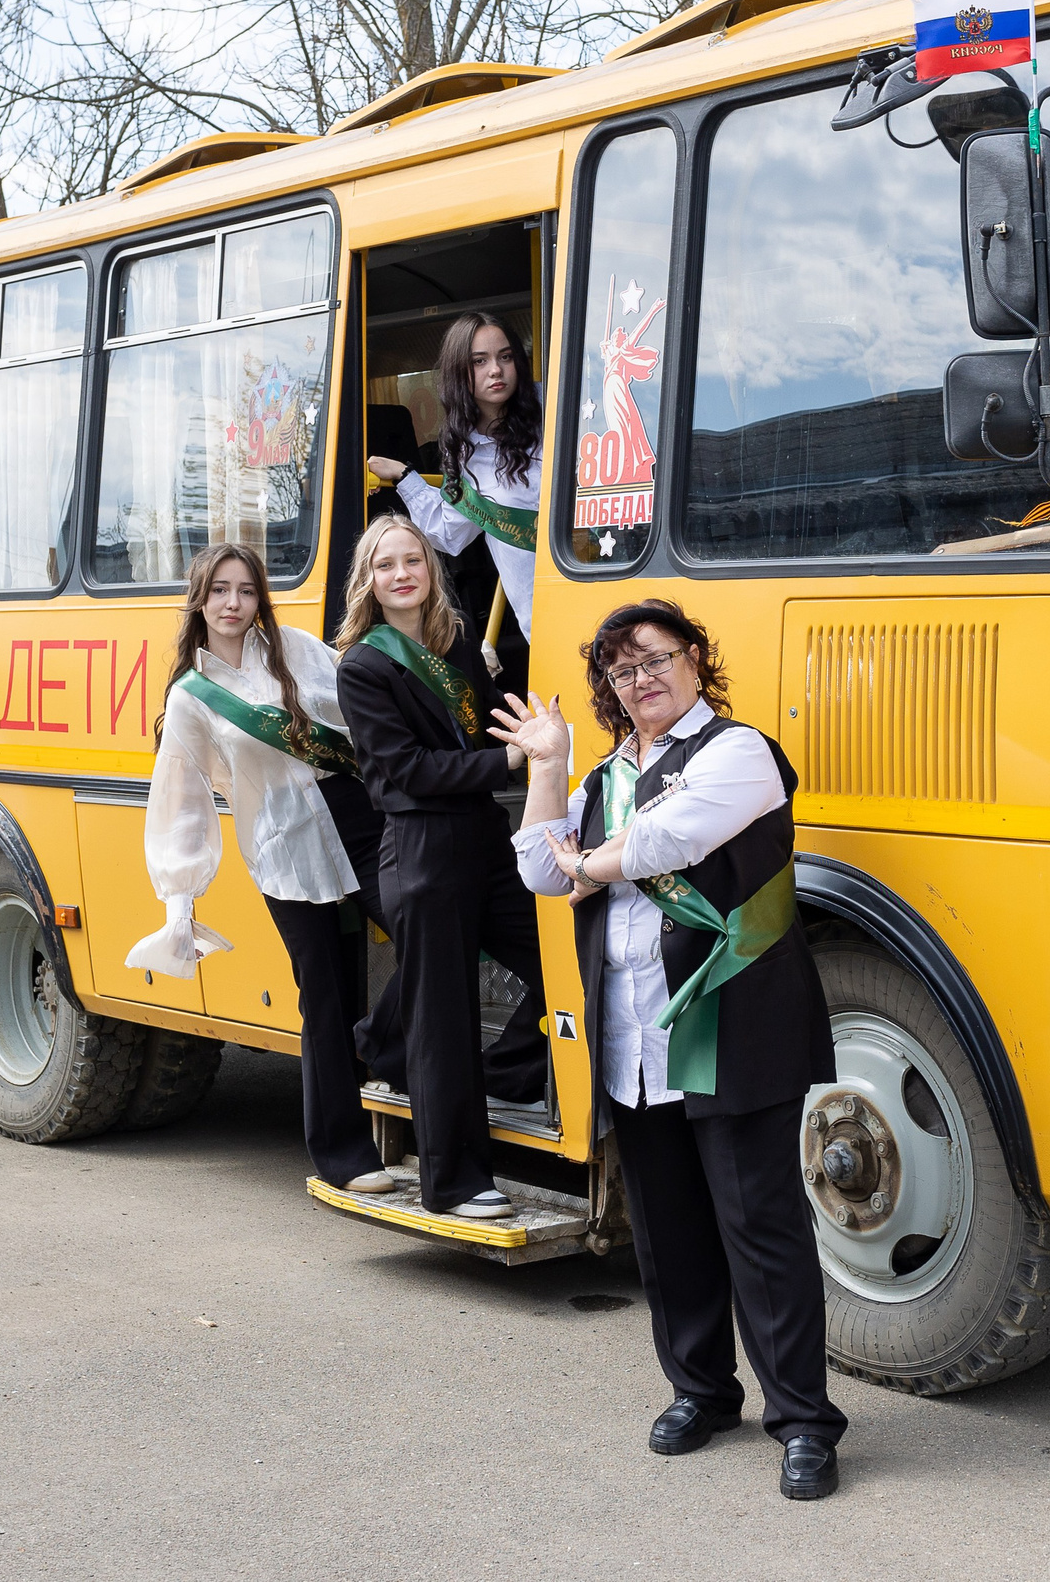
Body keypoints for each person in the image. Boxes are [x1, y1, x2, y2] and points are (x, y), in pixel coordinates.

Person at [495, 599, 847, 1501]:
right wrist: (550, 766)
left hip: (730, 1024)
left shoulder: (739, 752)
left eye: (654, 659)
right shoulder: (607, 773)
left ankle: (804, 1420)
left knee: (759, 1227)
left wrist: (587, 864)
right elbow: (541, 867)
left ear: (694, 660)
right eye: (620, 670)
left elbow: (669, 839)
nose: (640, 679)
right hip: (633, 1032)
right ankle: (701, 1388)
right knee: (667, 1229)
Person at [127, 543, 396, 1193]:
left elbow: (362, 695)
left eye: (246, 591)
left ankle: (381, 1043)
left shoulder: (295, 647)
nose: (233, 603)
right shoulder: (191, 698)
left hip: (355, 817)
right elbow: (182, 802)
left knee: (426, 929)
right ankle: (343, 1154)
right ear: (199, 597)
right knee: (322, 993)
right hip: (280, 842)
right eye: (220, 590)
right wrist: (180, 904)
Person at [334, 514, 550, 1220]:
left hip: (486, 841)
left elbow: (488, 721)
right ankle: (454, 1182)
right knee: (445, 1017)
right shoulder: (364, 665)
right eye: (386, 564)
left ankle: (506, 1073)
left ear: (429, 568)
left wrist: (526, 727)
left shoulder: (455, 643)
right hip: (423, 851)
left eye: (413, 560)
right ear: (368, 581)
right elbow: (404, 772)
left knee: (559, 957)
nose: (402, 573)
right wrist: (507, 760)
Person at [366, 314, 542, 662]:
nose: (496, 370)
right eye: (480, 361)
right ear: (459, 372)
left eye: (506, 357)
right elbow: (450, 533)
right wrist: (405, 477)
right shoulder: (464, 450)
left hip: (598, 575)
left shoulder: (557, 408)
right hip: (540, 616)